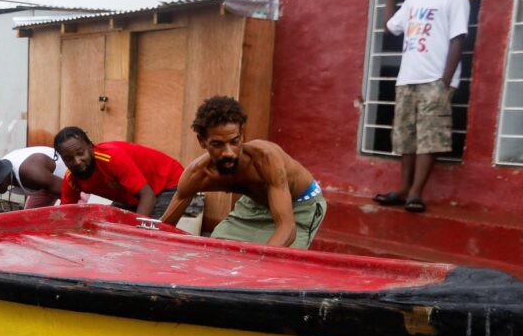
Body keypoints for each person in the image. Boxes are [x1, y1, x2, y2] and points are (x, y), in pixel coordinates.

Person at [373, 0, 469, 213]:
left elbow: (457, 39)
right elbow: (391, 28)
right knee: (407, 136)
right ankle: (403, 189)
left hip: (435, 80)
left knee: (430, 137)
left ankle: (417, 192)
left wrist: (444, 81)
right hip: (408, 78)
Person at [160, 96, 325, 248]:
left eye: (234, 141)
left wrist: (258, 262)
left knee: (279, 267)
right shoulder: (197, 174)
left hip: (299, 206)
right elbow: (163, 229)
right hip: (253, 205)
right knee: (215, 253)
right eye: (217, 144)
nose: (229, 152)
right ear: (202, 142)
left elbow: (287, 228)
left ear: (242, 135)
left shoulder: (265, 159)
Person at [54, 127, 183, 219]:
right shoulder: (71, 179)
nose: (76, 161)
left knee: (152, 232)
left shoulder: (111, 158)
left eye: (81, 153)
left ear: (90, 147)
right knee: (110, 226)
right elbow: (66, 214)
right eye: (68, 158)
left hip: (168, 181)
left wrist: (136, 234)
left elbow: (147, 196)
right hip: (132, 194)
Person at [0, 146, 67, 215]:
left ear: (4, 173)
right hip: (44, 184)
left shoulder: (31, 173)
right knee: (29, 218)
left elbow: (66, 193)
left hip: (65, 181)